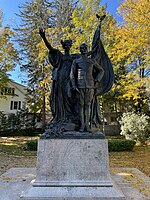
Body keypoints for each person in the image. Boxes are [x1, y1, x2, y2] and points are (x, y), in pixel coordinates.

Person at [39, 29, 79, 124]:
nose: (67, 47)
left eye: (68, 45)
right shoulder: (60, 55)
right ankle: (62, 116)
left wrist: (95, 48)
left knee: (70, 96)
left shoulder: (74, 57)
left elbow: (86, 57)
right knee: (61, 98)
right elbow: (50, 48)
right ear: (63, 46)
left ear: (71, 46)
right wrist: (44, 37)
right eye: (65, 45)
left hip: (70, 79)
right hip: (60, 79)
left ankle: (71, 116)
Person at [71, 43, 104, 132]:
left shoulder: (92, 61)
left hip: (90, 86)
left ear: (87, 49)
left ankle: (87, 126)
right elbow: (72, 74)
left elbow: (101, 71)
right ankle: (82, 126)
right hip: (79, 86)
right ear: (80, 50)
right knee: (81, 106)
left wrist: (97, 80)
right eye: (81, 48)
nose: (83, 49)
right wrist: (74, 85)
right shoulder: (76, 61)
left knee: (87, 106)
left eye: (85, 48)